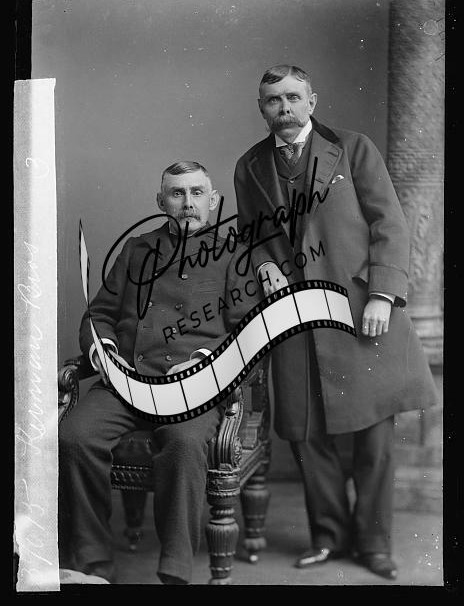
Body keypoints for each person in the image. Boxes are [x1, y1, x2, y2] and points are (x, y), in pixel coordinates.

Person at [233, 64, 438, 580]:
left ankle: (373, 545)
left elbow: (389, 223)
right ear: (261, 109)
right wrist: (264, 266)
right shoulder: (250, 166)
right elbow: (254, 236)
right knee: (306, 433)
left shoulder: (352, 148)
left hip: (359, 310)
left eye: (293, 97)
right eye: (273, 100)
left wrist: (382, 296)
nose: (284, 107)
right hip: (295, 316)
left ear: (312, 100)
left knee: (374, 438)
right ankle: (327, 538)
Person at [58, 161, 259, 585]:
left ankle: (175, 572)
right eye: (177, 193)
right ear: (160, 201)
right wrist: (105, 351)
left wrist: (206, 361)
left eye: (197, 193)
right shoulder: (137, 249)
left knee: (184, 444)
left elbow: (249, 334)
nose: (188, 203)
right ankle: (92, 565)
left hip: (194, 388)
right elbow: (100, 314)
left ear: (213, 200)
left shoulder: (235, 255)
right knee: (74, 436)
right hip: (129, 382)